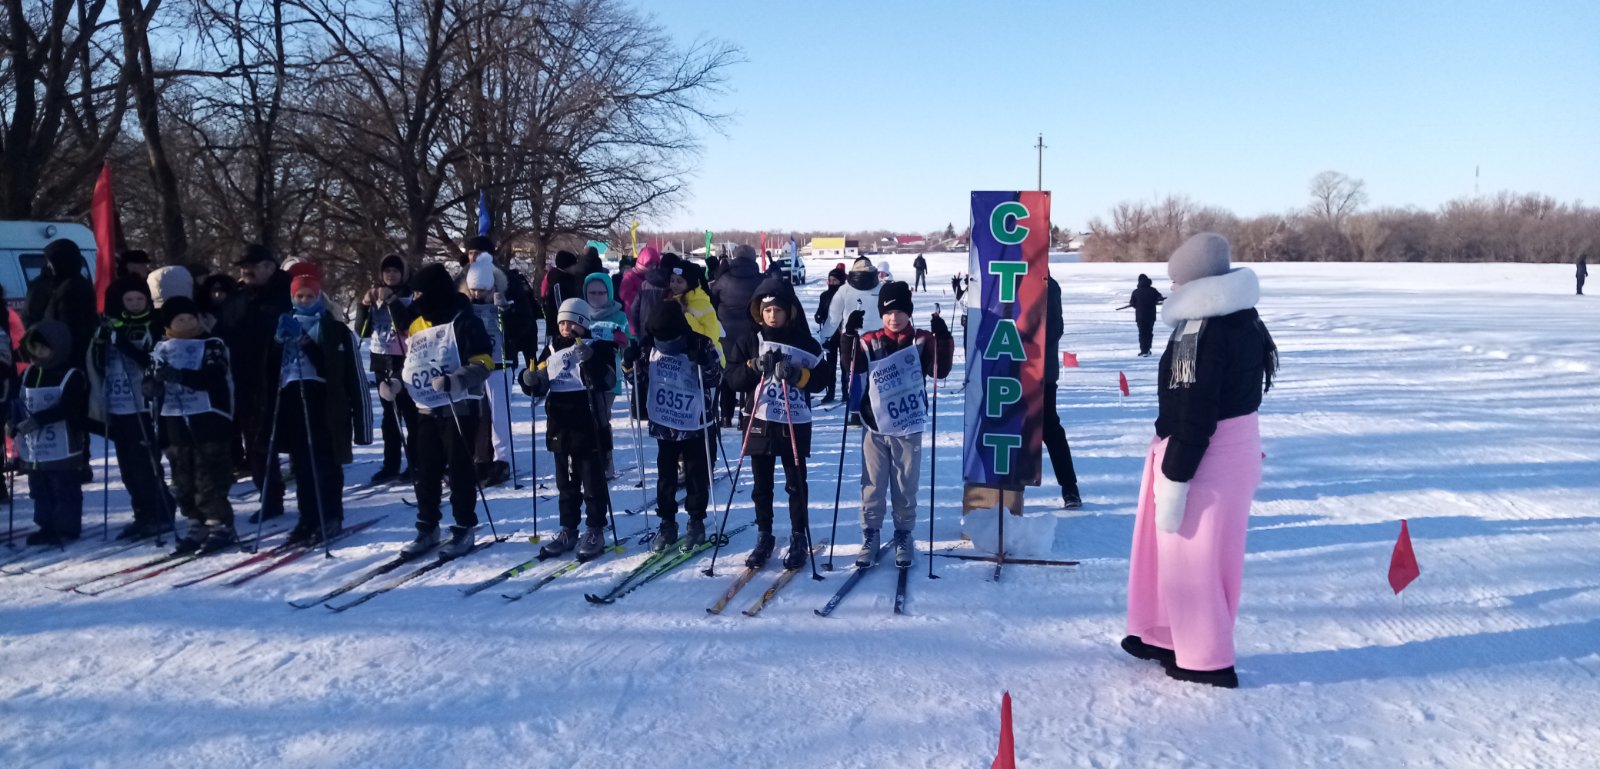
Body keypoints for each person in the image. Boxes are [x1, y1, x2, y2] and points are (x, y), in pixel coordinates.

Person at [1123, 233, 1278, 690]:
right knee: (1184, 556)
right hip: (1230, 453)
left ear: (1196, 281)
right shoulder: (1241, 318)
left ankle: (1206, 658)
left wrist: (1175, 476)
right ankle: (1168, 634)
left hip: (1205, 460)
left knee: (1197, 563)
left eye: (1176, 280)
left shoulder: (1202, 330)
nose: (1171, 289)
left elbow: (1196, 412)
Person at [724, 278, 834, 569]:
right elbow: (732, 378)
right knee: (762, 485)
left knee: (796, 483)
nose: (772, 315)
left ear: (790, 311)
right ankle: (765, 534)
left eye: (778, 310)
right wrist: (752, 367)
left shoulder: (804, 341)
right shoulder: (749, 341)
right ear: (759, 311)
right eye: (767, 309)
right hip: (758, 421)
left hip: (793, 421)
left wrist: (799, 376)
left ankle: (799, 534)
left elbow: (824, 380)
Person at [265, 263, 373, 546]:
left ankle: (330, 515)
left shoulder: (333, 328)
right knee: (301, 464)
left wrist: (306, 343)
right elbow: (269, 370)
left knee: (325, 462)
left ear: (318, 297)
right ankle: (307, 517)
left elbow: (336, 370)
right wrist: (278, 343)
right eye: (299, 297)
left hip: (323, 401)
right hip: (291, 398)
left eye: (309, 297)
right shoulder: (286, 322)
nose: (304, 301)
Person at [850, 281, 952, 568]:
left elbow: (940, 370)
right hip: (875, 425)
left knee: (905, 484)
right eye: (888, 312)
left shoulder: (921, 340)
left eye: (899, 311)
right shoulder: (870, 340)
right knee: (872, 485)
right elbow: (852, 367)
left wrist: (942, 339)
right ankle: (870, 534)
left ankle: (904, 534)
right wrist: (848, 336)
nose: (894, 317)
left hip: (908, 425)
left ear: (909, 312)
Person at [396, 263, 493, 559]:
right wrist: (396, 383)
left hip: (459, 407)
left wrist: (456, 379)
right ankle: (427, 527)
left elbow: (484, 363)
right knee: (426, 470)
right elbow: (411, 364)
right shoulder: (417, 323)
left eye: (420, 293)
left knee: (460, 471)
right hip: (425, 408)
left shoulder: (465, 321)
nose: (415, 299)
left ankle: (464, 527)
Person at [521, 299, 618, 562]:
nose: (566, 327)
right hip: (561, 425)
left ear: (583, 323)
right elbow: (538, 380)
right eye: (562, 322)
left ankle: (595, 528)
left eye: (572, 322)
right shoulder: (551, 348)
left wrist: (592, 361)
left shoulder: (596, 346)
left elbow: (609, 380)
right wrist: (528, 380)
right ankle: (568, 528)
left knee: (592, 481)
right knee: (565, 483)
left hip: (589, 425)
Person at [623, 301, 722, 552]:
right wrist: (628, 364)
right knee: (665, 475)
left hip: (695, 422)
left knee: (695, 473)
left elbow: (717, 378)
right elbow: (637, 379)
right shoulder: (648, 346)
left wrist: (705, 363)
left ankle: (696, 521)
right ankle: (667, 522)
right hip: (664, 421)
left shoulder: (699, 342)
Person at [147, 297, 238, 554]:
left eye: (190, 318)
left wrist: (180, 375)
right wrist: (151, 384)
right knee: (182, 480)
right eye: (180, 320)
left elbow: (213, 378)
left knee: (208, 477)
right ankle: (196, 524)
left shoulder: (212, 345)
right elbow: (152, 382)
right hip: (176, 423)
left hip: (209, 420)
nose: (186, 323)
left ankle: (220, 524)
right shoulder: (162, 348)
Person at [87, 277, 170, 539]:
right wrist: (103, 341)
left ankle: (160, 510)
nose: (134, 304)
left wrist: (125, 345)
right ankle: (142, 512)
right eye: (129, 300)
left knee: (145, 463)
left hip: (145, 405)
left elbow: (154, 361)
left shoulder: (154, 324)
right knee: (128, 466)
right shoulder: (109, 325)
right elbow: (98, 364)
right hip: (118, 403)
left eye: (139, 299)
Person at [218, 244, 291, 522]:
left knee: (295, 441)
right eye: (242, 267)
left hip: (283, 379)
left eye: (252, 265)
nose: (245, 271)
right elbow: (221, 332)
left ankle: (318, 500)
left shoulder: (287, 294)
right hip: (246, 380)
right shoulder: (238, 299)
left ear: (269, 267)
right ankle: (270, 496)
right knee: (257, 443)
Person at [10, 321, 88, 546]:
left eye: (43, 348)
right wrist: (12, 422)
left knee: (64, 486)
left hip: (64, 441)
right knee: (40, 487)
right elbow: (19, 402)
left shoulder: (71, 374)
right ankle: (46, 525)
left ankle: (66, 526)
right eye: (34, 348)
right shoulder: (29, 373)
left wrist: (38, 420)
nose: (38, 354)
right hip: (35, 445)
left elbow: (70, 407)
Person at [355, 254, 417, 484]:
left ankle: (415, 463)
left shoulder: (410, 296)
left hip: (405, 360)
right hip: (381, 360)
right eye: (386, 271)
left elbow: (407, 326)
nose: (390, 275)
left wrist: (393, 301)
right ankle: (390, 464)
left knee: (410, 414)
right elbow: (361, 330)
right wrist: (363, 306)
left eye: (395, 271)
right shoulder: (375, 296)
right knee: (389, 417)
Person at [463, 253, 513, 487]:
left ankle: (502, 459)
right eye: (474, 290)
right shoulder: (464, 305)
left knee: (499, 416)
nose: (478, 295)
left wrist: (506, 312)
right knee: (477, 414)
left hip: (500, 364)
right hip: (475, 366)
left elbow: (525, 326)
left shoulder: (506, 296)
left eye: (482, 290)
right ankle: (480, 457)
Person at [817, 257, 883, 426]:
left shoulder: (844, 290)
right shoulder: (881, 288)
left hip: (852, 337)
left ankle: (855, 412)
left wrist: (824, 337)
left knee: (855, 376)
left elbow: (833, 318)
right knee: (877, 375)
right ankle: (877, 410)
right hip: (878, 338)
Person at [583, 269, 631, 477]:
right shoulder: (579, 314)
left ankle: (605, 459)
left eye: (601, 293)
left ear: (609, 293)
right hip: (581, 376)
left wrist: (624, 342)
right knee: (584, 418)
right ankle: (583, 459)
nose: (596, 297)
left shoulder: (619, 316)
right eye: (592, 293)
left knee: (601, 417)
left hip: (607, 376)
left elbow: (629, 345)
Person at [23, 240, 98, 372]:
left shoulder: (73, 287)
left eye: (51, 261)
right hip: (53, 351)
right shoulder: (52, 284)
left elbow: (74, 326)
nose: (48, 265)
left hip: (68, 355)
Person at [709, 245, 763, 425]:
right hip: (752, 333)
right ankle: (744, 415)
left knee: (728, 372)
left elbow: (712, 301)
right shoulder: (760, 279)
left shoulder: (724, 279)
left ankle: (725, 415)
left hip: (726, 333)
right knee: (750, 372)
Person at [1043, 276, 1081, 509]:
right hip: (1008, 374)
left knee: (1050, 428)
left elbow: (1054, 328)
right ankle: (1007, 490)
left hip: (1042, 373)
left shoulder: (1049, 285)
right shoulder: (1006, 277)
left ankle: (1069, 486)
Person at [812, 265, 848, 404]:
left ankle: (846, 392)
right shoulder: (824, 295)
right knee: (830, 366)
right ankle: (830, 392)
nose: (831, 283)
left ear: (841, 281)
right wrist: (818, 316)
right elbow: (820, 311)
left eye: (834, 280)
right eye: (829, 280)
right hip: (829, 336)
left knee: (845, 365)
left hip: (844, 334)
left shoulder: (846, 295)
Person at [540, 250, 584, 343]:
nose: (576, 267)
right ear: (567, 266)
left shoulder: (568, 279)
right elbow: (560, 307)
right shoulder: (558, 282)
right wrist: (567, 324)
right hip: (561, 329)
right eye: (574, 265)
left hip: (570, 327)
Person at [1122, 274, 1165, 356]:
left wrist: (1138, 306)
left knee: (1142, 333)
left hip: (1140, 316)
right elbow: (1160, 299)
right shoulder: (1153, 290)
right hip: (1151, 316)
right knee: (1149, 332)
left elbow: (1133, 303)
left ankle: (1143, 350)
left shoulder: (1136, 292)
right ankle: (1148, 349)